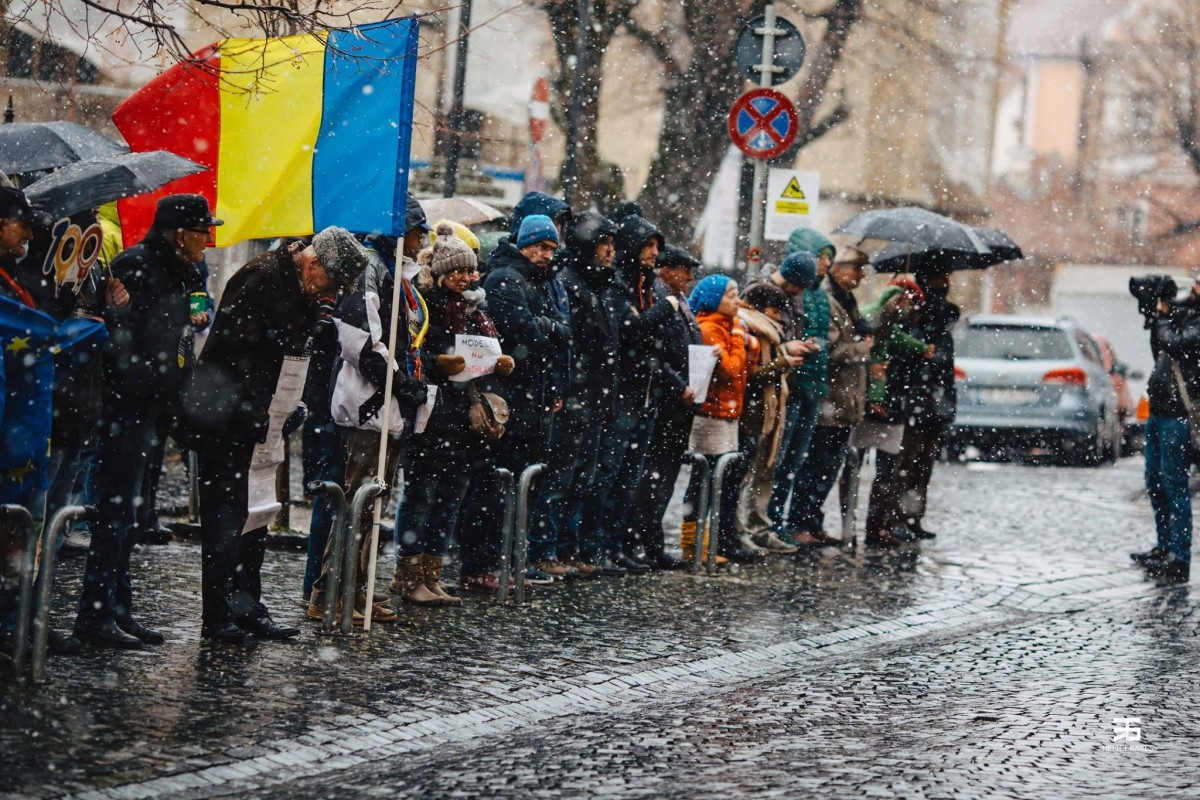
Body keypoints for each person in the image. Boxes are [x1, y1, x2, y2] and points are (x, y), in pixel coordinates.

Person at [179, 227, 367, 642]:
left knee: (257, 516)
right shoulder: (260, 277)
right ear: (314, 262)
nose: (330, 293)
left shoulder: (301, 285)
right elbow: (231, 353)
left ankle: (248, 605)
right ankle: (218, 616)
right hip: (228, 421)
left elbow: (288, 353)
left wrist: (289, 404)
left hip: (266, 417)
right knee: (225, 521)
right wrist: (251, 409)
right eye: (331, 283)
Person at [72, 194, 212, 649]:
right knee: (114, 513)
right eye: (200, 231)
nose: (207, 239)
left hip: (155, 407)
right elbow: (122, 338)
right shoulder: (135, 265)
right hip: (126, 408)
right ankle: (95, 616)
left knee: (130, 515)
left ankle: (118, 611)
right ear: (178, 234)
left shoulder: (183, 271)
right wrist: (146, 380)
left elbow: (180, 332)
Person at [311, 194, 431, 622]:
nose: (422, 241)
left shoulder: (395, 273)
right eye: (418, 231)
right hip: (369, 407)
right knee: (358, 504)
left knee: (370, 504)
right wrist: (400, 382)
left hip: (387, 408)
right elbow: (362, 340)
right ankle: (333, 590)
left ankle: (354, 586)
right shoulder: (371, 269)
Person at [395, 225, 515, 603]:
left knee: (450, 498)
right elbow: (411, 355)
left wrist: (502, 365)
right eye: (459, 271)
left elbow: (488, 355)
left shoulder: (477, 311)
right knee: (421, 495)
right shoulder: (424, 304)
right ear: (443, 273)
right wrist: (436, 364)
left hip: (465, 420)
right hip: (432, 416)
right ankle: (410, 575)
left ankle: (432, 574)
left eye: (470, 270)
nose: (466, 277)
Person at [456, 213, 570, 590]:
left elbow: (563, 332)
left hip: (530, 398)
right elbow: (527, 334)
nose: (546, 255)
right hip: (509, 398)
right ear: (524, 244)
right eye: (540, 246)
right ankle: (480, 564)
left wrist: (548, 329)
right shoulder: (506, 278)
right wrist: (548, 331)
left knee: (515, 487)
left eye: (551, 248)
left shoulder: (540, 281)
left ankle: (503, 562)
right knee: (493, 484)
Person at [530, 211, 619, 579]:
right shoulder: (571, 283)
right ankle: (544, 549)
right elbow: (571, 343)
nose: (610, 252)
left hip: (594, 394)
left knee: (582, 478)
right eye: (604, 244)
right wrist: (568, 389)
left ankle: (567, 547)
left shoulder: (599, 286)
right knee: (560, 478)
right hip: (576, 394)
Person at [591, 212, 678, 573]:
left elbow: (650, 336)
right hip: (622, 393)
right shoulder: (619, 284)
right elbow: (632, 330)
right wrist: (665, 310)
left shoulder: (650, 285)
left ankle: (615, 545)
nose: (654, 253)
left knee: (629, 478)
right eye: (648, 246)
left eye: (657, 246)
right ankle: (597, 547)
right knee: (608, 475)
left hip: (646, 394)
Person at [783, 244, 873, 548]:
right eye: (855, 268)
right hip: (829, 400)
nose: (860, 275)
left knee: (829, 467)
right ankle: (800, 522)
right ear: (837, 269)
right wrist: (862, 349)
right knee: (815, 465)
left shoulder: (849, 302)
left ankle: (813, 521)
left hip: (845, 401)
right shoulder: (829, 302)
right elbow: (831, 349)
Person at [627, 244, 702, 570]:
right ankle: (642, 539)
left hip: (679, 402)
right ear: (668, 270)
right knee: (653, 478)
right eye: (685, 270)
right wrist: (676, 384)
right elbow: (653, 353)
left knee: (664, 477)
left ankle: (652, 541)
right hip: (664, 401)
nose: (690, 277)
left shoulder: (680, 302)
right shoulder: (661, 299)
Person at [768, 231, 836, 546]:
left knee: (796, 459)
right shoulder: (796, 293)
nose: (827, 263)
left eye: (829, 257)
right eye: (822, 255)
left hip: (813, 384)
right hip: (792, 384)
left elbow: (823, 332)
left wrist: (820, 344)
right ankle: (770, 519)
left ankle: (779, 519)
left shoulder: (821, 295)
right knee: (778, 458)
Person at [1131, 278, 1200, 585]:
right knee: (1155, 481)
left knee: (1174, 485)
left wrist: (1162, 317)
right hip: (1160, 409)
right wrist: (1158, 309)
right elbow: (1160, 344)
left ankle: (1180, 557)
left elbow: (1174, 342)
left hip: (1180, 414)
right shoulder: (1186, 311)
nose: (1195, 284)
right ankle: (1164, 548)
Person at [680, 275, 752, 564]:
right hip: (713, 414)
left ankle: (709, 542)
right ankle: (693, 544)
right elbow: (732, 370)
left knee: (718, 477)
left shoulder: (725, 326)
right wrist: (738, 336)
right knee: (706, 477)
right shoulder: (712, 328)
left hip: (726, 412)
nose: (738, 301)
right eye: (731, 295)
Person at [859, 276, 933, 547]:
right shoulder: (877, 321)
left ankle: (875, 526)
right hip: (875, 402)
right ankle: (862, 527)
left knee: (886, 469)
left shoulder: (901, 328)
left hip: (892, 404)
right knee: (860, 465)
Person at [735, 282, 805, 555]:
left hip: (768, 410)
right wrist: (783, 363)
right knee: (744, 474)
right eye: (775, 311)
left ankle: (757, 527)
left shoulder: (770, 331)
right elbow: (751, 374)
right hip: (753, 412)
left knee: (764, 470)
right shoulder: (749, 327)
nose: (778, 318)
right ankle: (740, 530)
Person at [890, 269, 960, 541]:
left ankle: (912, 517)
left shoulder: (940, 316)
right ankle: (899, 517)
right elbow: (911, 355)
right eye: (941, 275)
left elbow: (945, 363)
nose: (946, 281)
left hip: (934, 399)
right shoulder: (917, 314)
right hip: (915, 398)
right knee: (907, 463)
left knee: (922, 465)